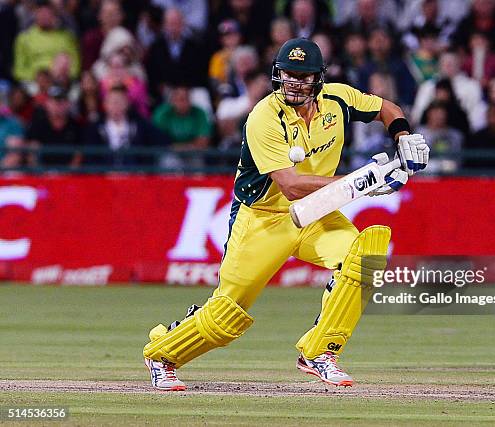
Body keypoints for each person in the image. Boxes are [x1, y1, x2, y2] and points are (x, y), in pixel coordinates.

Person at [142, 38, 429, 391]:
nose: (293, 83)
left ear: (318, 80)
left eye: (303, 77)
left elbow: (386, 107)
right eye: (288, 75)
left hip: (317, 213)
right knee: (225, 315)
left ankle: (320, 352)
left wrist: (402, 136)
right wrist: (366, 180)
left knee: (364, 257)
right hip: (264, 218)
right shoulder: (263, 116)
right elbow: (290, 186)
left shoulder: (337, 99)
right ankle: (162, 353)